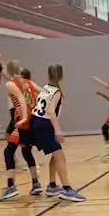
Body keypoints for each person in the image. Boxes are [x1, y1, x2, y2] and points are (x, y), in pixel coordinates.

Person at [29, 65, 85, 202]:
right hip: (44, 123)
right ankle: (66, 189)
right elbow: (51, 111)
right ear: (61, 76)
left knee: (56, 154)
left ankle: (52, 185)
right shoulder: (56, 92)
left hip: (35, 121)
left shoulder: (46, 88)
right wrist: (58, 130)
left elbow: (36, 91)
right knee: (60, 156)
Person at [0, 60, 42, 201]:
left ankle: (11, 187)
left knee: (8, 152)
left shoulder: (10, 84)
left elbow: (22, 100)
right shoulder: (28, 82)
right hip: (33, 121)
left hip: (23, 122)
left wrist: (23, 118)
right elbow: (43, 92)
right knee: (26, 151)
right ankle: (36, 184)